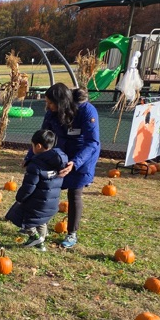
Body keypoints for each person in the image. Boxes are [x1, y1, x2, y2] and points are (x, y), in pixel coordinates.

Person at [40, 83, 101, 249]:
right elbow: (42, 136)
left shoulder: (87, 111)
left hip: (83, 156)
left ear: (61, 103)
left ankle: (71, 233)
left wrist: (76, 163)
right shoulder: (52, 113)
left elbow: (92, 142)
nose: (48, 106)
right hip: (61, 154)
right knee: (47, 186)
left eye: (51, 103)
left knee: (74, 193)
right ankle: (38, 225)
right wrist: (31, 156)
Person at [5, 129, 68, 250]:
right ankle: (40, 244)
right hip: (51, 203)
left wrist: (20, 197)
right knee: (42, 221)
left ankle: (35, 237)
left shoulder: (36, 165)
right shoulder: (59, 162)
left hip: (37, 202)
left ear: (38, 146)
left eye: (32, 145)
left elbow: (29, 185)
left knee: (24, 219)